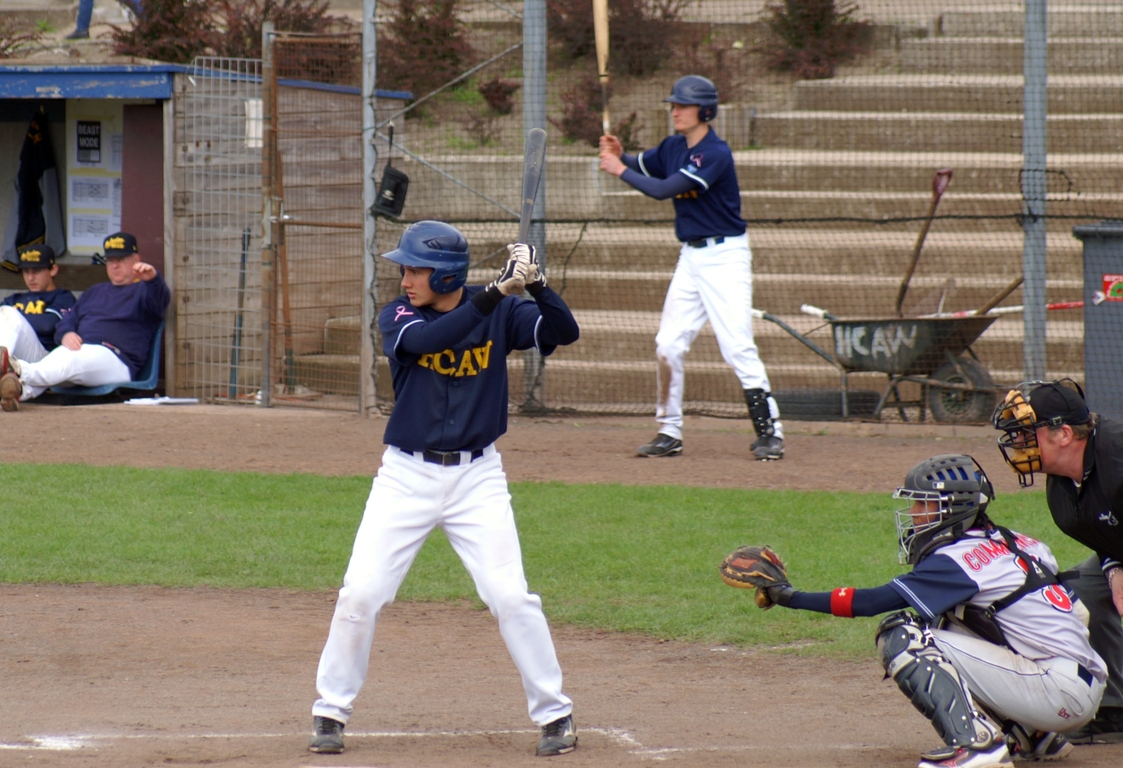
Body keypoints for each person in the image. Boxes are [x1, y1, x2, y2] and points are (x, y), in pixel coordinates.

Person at [308, 221, 580, 757]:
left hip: (478, 479)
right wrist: (495, 292)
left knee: (511, 597)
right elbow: (430, 340)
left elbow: (563, 332)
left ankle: (555, 714)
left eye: (417, 270)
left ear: (447, 274)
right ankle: (330, 712)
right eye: (405, 269)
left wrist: (537, 284)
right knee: (361, 593)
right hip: (405, 477)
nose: (406, 279)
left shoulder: (502, 309)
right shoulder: (398, 315)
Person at [750, 454, 1105, 768]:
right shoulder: (1022, 543)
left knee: (903, 634)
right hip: (1075, 683)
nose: (915, 514)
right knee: (945, 619)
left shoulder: (959, 559)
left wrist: (789, 596)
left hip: (1054, 691)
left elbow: (871, 602)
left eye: (924, 504)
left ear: (952, 508)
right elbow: (1078, 612)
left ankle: (976, 746)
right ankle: (1034, 735)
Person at [598, 74, 783, 461]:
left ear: (706, 111)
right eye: (674, 104)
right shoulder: (673, 147)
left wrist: (617, 169)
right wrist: (621, 154)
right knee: (668, 345)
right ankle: (669, 431)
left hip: (726, 257)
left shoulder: (714, 153)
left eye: (683, 105)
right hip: (691, 257)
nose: (675, 111)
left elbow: (662, 189)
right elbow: (644, 165)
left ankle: (770, 433)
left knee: (737, 347)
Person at [992, 379, 1123, 743]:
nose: (1019, 443)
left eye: (1026, 434)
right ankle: (1114, 710)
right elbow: (1105, 531)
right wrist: (1114, 567)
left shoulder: (1118, 458)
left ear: (1064, 434)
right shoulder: (1062, 486)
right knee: (1081, 591)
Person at [0, 231, 168, 412]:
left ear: (136, 259)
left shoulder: (144, 290)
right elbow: (68, 320)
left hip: (117, 358)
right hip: (80, 352)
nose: (115, 265)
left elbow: (161, 302)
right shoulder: (95, 291)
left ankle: (18, 370)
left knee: (71, 359)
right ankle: (17, 390)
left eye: (121, 259)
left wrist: (153, 280)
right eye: (110, 260)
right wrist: (67, 333)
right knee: (61, 357)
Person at [0, 244, 75, 367]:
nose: (30, 278)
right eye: (26, 272)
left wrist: (14, 319)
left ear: (53, 270)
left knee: (8, 314)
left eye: (37, 271)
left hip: (45, 358)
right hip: (15, 355)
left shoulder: (62, 296)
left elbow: (47, 325)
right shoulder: (13, 299)